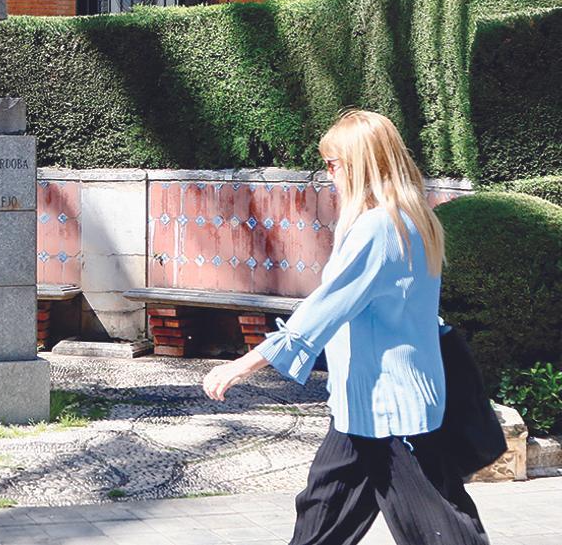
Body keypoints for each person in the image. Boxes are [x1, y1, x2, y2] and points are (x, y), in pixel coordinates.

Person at [202, 109, 489, 545]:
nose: (329, 174)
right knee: (320, 519)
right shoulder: (411, 219)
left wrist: (243, 365)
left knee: (439, 530)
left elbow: (325, 309)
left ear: (360, 165)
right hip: (361, 409)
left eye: (333, 165)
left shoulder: (380, 228)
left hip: (392, 413)